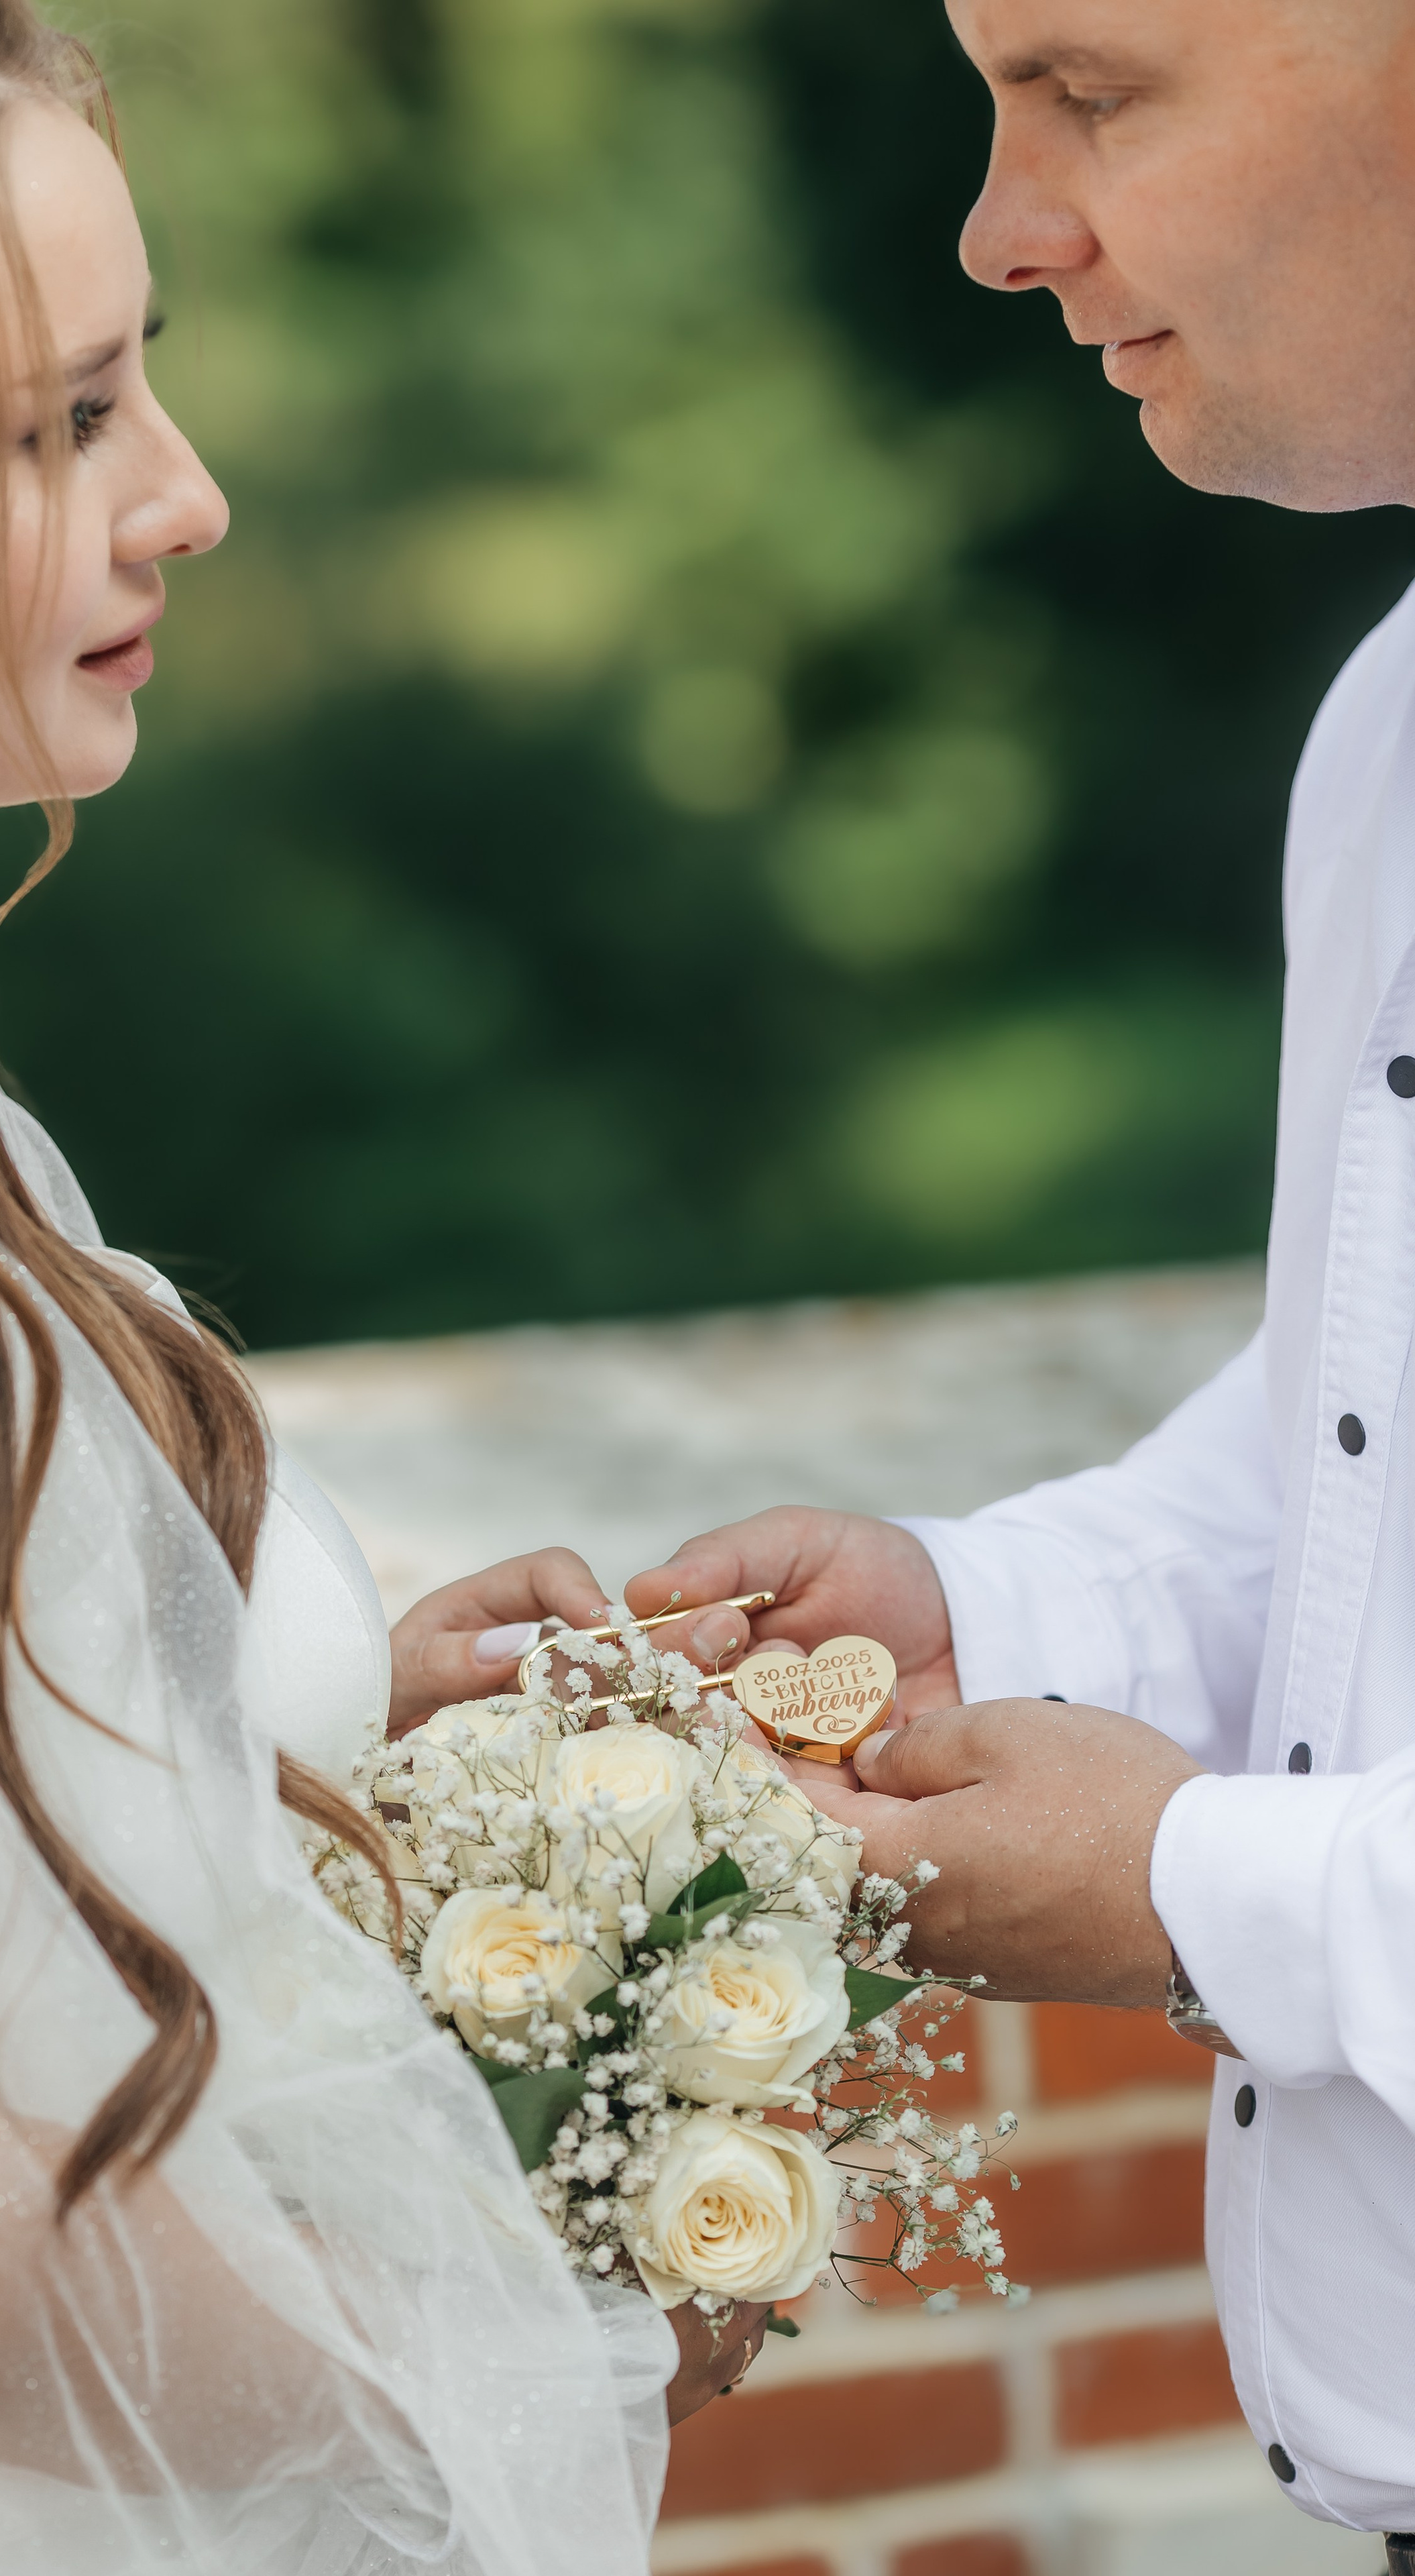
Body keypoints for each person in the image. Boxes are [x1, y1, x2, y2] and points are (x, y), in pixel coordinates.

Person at [0, 0, 758, 2562]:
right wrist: (510, 2374)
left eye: (142, 379)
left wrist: (272, 1730)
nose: (185, 497)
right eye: (61, 425)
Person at [587, 0, 1415, 2554]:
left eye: (1091, 88)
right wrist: (980, 1616)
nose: (997, 224)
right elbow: (1346, 1461)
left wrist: (1187, 1890)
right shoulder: (1391, 731)